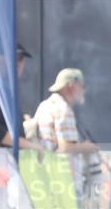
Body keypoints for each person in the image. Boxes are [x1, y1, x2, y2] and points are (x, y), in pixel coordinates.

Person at [31, 68, 99, 196]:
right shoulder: (63, 109)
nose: (84, 90)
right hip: (63, 182)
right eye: (82, 86)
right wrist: (88, 147)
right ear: (71, 86)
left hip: (45, 177)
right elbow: (65, 147)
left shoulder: (45, 105)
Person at [0, 44, 41, 150]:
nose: (18, 63)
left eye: (21, 59)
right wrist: (28, 145)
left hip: (6, 158)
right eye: (13, 58)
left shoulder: (6, 90)